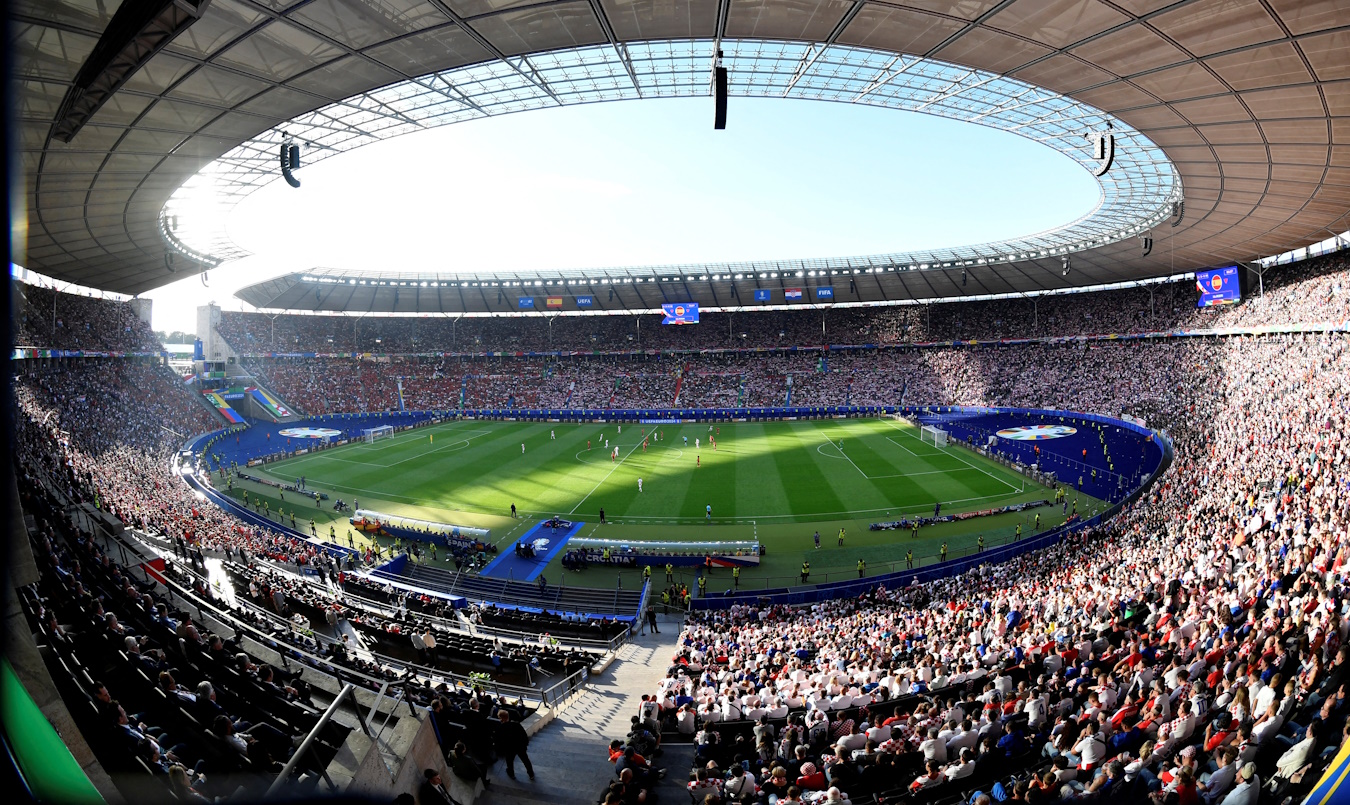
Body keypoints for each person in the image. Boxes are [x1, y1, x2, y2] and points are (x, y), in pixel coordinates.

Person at [494, 709, 534, 780]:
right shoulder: (516, 725)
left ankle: (511, 774)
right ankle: (531, 774)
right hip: (520, 747)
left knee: (509, 761)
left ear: (501, 719)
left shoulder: (500, 729)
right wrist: (525, 745)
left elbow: (498, 741)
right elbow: (524, 735)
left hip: (509, 749)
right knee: (525, 760)